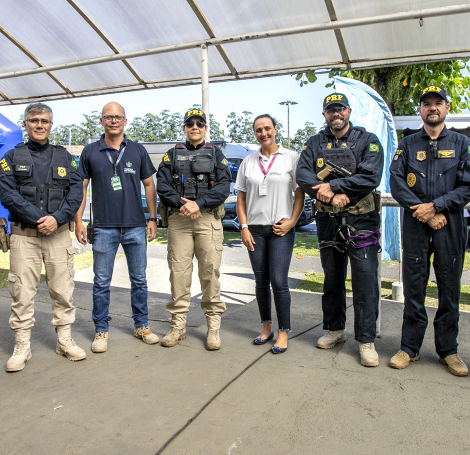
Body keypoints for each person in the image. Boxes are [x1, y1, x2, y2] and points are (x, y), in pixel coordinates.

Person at [389, 86, 470, 376]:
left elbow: (469, 185)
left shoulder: (462, 143)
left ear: (446, 108)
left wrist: (437, 207)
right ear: (420, 110)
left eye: (438, 103)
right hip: (417, 223)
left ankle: (448, 351)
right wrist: (425, 213)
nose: (432, 108)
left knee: (449, 289)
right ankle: (409, 348)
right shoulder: (407, 144)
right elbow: (396, 182)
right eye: (426, 104)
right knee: (414, 288)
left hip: (449, 224)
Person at [295, 93, 384, 367]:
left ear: (348, 111)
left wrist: (335, 187)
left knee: (365, 281)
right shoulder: (314, 143)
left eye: (340, 109)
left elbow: (371, 176)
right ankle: (335, 330)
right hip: (328, 220)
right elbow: (303, 175)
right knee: (332, 279)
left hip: (362, 221)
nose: (336, 114)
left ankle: (366, 340)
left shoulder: (368, 141)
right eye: (330, 110)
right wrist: (333, 198)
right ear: (324, 115)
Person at [0, 103, 86, 372]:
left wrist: (57, 219)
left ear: (51, 124)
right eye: (34, 120)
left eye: (44, 121)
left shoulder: (67, 158)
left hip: (58, 235)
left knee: (62, 289)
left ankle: (64, 339)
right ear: (25, 124)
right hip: (25, 236)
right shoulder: (11, 157)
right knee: (22, 291)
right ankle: (22, 345)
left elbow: (75, 193)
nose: (39, 125)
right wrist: (39, 218)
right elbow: (7, 194)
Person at [74, 102, 160, 353]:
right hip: (103, 226)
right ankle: (101, 330)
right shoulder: (90, 151)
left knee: (139, 280)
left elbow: (149, 185)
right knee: (101, 281)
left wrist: (152, 219)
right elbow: (81, 187)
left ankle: (141, 325)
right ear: (101, 121)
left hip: (135, 225)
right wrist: (79, 220)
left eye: (118, 117)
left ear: (125, 121)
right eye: (108, 117)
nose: (113, 121)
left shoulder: (137, 150)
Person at [156, 109, 231, 350]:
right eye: (190, 124)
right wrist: (184, 204)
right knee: (179, 273)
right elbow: (163, 187)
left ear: (205, 128)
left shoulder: (216, 153)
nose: (195, 127)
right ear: (185, 128)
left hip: (207, 218)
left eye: (200, 123)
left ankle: (213, 329)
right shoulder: (172, 154)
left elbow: (223, 186)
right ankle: (178, 327)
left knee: (210, 272)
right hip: (179, 219)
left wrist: (198, 203)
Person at [237, 114, 305, 354]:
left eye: (267, 128)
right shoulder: (249, 161)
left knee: (279, 281)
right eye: (258, 130)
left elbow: (299, 194)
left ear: (276, 129)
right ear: (255, 133)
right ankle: (266, 327)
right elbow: (241, 197)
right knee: (260, 282)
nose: (263, 133)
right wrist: (243, 227)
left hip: (280, 229)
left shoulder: (292, 158)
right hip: (255, 229)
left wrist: (292, 222)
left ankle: (284, 331)